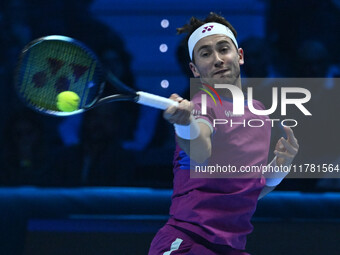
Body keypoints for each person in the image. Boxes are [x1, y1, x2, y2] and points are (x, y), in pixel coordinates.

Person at [148, 13, 299, 255]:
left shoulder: (259, 113)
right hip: (187, 244)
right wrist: (185, 124)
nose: (217, 59)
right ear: (195, 69)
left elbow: (246, 192)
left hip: (231, 249)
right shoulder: (202, 105)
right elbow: (200, 150)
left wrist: (278, 169)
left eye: (223, 49)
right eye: (206, 54)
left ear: (239, 56)